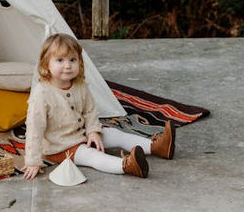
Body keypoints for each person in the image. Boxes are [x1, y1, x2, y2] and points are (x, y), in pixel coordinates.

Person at [21, 33, 175, 180]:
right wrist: (33, 161)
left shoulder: (80, 85)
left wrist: (93, 131)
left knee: (115, 134)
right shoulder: (42, 93)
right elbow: (34, 129)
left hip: (82, 133)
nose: (67, 65)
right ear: (46, 64)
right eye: (60, 60)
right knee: (92, 156)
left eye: (73, 60)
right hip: (60, 147)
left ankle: (157, 147)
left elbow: (90, 111)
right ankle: (126, 165)